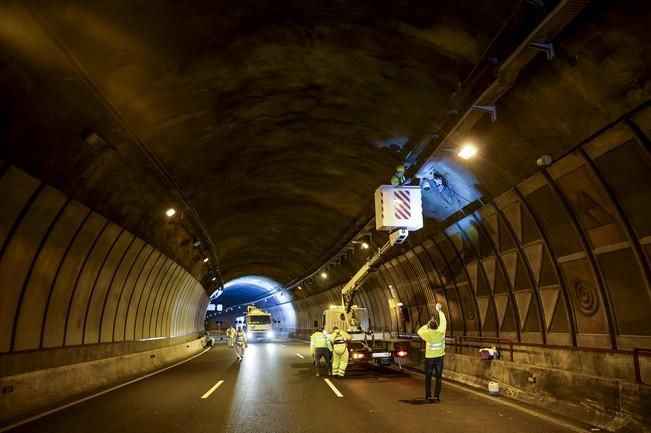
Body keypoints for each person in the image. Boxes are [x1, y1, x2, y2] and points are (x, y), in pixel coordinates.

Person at [417, 303, 447, 403]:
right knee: (438, 378)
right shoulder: (441, 332)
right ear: (437, 326)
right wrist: (439, 311)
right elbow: (444, 321)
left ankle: (428, 396)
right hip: (440, 359)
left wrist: (427, 324)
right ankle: (437, 397)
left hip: (429, 359)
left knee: (428, 377)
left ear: (430, 327)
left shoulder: (427, 334)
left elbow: (419, 331)